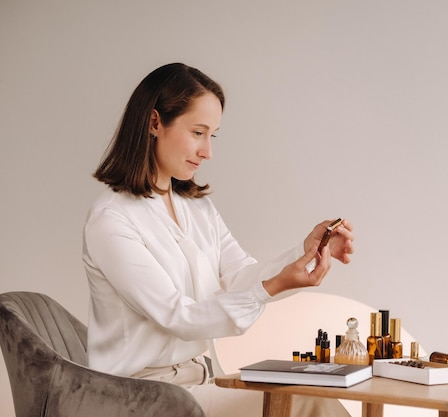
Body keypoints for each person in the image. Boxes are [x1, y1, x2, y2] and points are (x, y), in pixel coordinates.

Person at [82, 62, 354, 416]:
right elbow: (179, 317)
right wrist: (272, 286)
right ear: (154, 123)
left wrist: (304, 256)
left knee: (309, 391)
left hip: (200, 385)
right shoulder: (112, 220)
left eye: (213, 135)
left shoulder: (197, 209)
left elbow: (240, 276)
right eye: (198, 132)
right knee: (308, 401)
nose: (207, 151)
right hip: (141, 399)